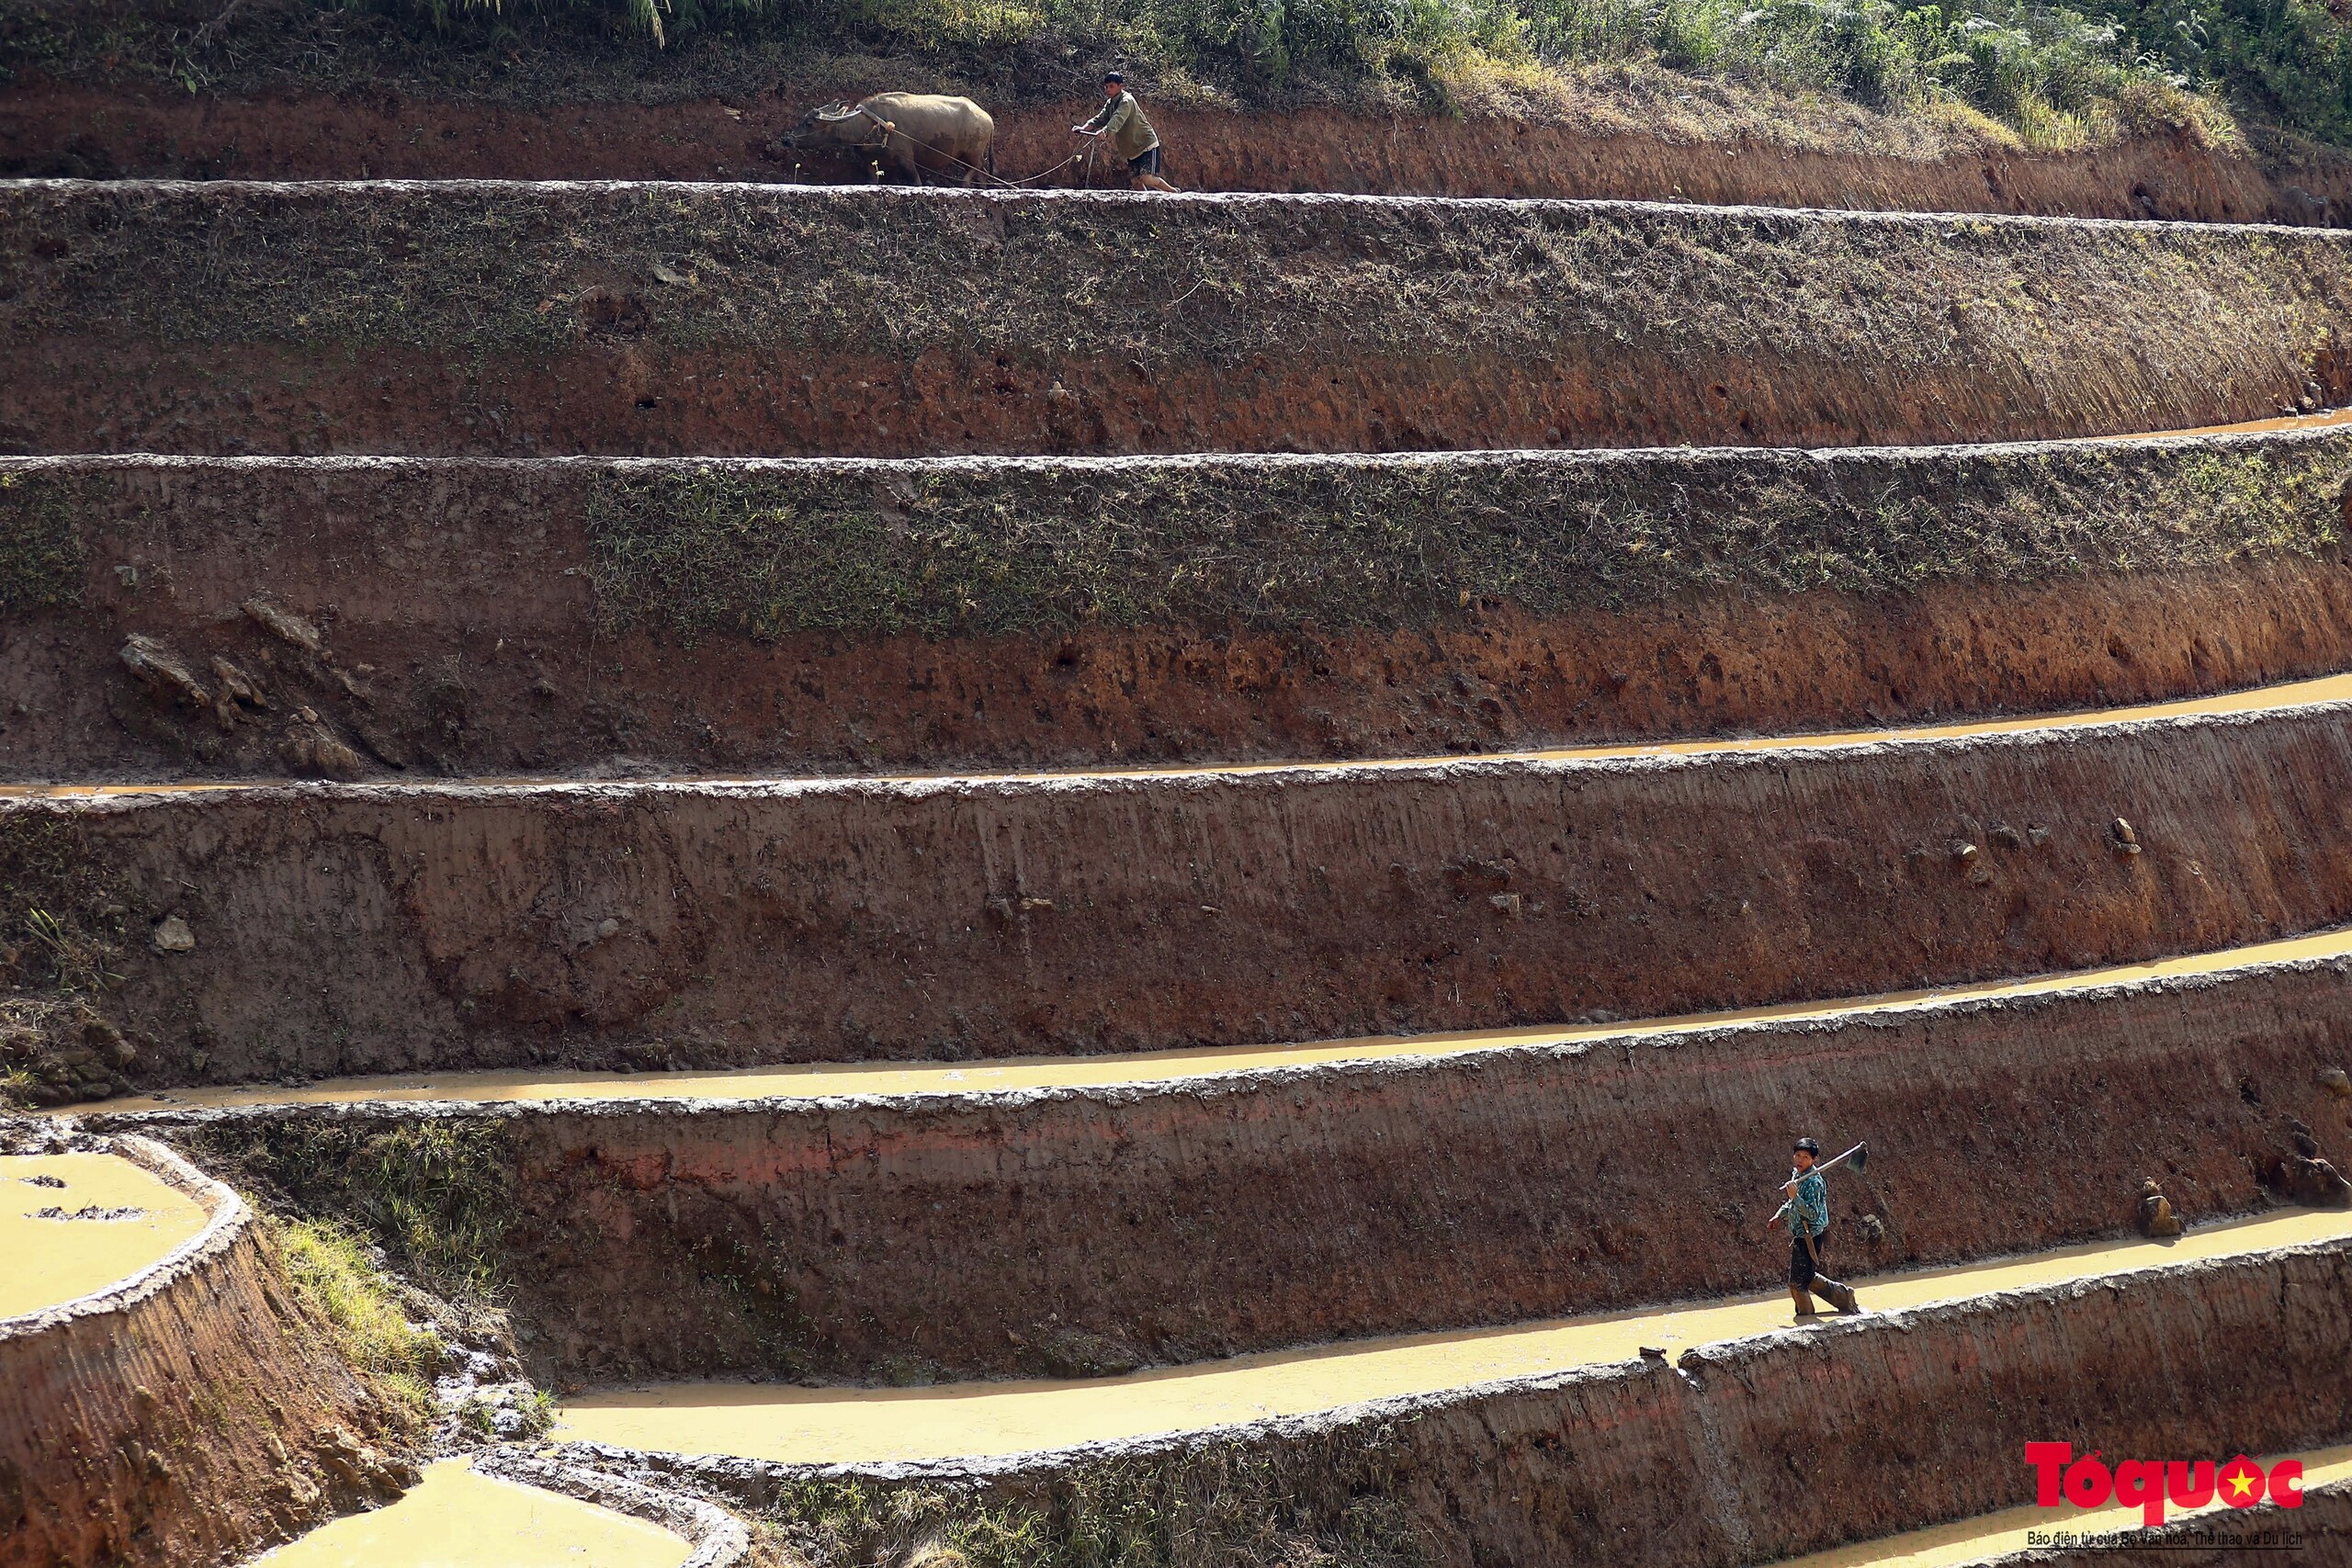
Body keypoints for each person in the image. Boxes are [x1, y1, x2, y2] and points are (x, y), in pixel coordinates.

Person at [1768, 1136, 1862, 1317]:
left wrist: (1795, 1196)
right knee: (1807, 1277)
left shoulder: (1815, 1183)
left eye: (1805, 1157)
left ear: (1813, 1160)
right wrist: (1779, 1215)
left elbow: (1812, 1214)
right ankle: (1843, 1297)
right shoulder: (1797, 1175)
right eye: (1797, 1155)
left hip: (1810, 1236)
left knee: (1797, 1283)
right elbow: (1791, 1203)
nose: (1800, 1160)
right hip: (1800, 1233)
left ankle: (1806, 1318)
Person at [1074, 72, 1177, 193]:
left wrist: (1105, 131)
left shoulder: (1126, 101)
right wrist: (1082, 128)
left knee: (1147, 178)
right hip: (1132, 150)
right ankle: (1147, 205)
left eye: (1111, 86)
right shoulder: (1110, 103)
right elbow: (1099, 119)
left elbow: (1117, 118)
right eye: (1106, 86)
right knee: (1136, 182)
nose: (1108, 89)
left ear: (1120, 86)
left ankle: (1173, 192)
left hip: (1146, 144)